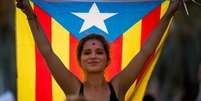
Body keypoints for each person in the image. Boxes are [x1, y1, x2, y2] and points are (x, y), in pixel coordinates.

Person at [16, 0, 181, 101]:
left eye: (99, 52)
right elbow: (47, 52)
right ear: (79, 60)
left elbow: (146, 51)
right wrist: (30, 14)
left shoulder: (118, 87)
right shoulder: (73, 88)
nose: (93, 56)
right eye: (87, 52)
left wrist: (169, 13)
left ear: (108, 59)